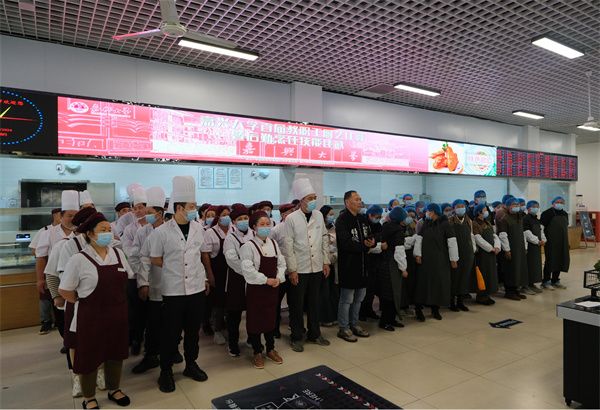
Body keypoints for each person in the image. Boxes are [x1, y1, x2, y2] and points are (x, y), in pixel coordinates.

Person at [59, 212, 133, 409]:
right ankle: (89, 397)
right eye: (103, 230)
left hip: (117, 314)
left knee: (115, 352)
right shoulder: (79, 259)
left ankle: (114, 389)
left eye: (109, 229)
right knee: (89, 356)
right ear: (90, 233)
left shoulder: (117, 254)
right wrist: (83, 302)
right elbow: (64, 290)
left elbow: (128, 276)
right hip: (91, 317)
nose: (108, 233)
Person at [150, 176, 211, 393]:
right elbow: (155, 259)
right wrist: (175, 268)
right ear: (179, 208)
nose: (195, 210)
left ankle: (191, 364)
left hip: (196, 288)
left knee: (193, 331)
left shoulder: (198, 228)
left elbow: (199, 255)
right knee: (171, 332)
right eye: (191, 207)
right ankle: (165, 371)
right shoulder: (161, 232)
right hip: (173, 290)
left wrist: (204, 278)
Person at [45, 205, 98, 398]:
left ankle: (98, 372)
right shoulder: (65, 246)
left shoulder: (103, 245)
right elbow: (52, 273)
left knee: (97, 339)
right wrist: (57, 297)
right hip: (74, 300)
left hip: (98, 302)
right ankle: (77, 376)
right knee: (74, 341)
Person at [282, 178, 331, 352]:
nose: (313, 201)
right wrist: (292, 270)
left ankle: (314, 333)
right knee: (297, 304)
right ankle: (296, 336)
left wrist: (326, 261)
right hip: (299, 268)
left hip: (317, 266)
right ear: (301, 200)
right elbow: (288, 246)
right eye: (310, 198)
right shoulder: (291, 219)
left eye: (314, 197)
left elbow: (324, 238)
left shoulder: (318, 215)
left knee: (314, 302)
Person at [132, 187, 176, 374]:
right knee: (152, 323)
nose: (146, 215)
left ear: (160, 213)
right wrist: (143, 282)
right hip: (152, 284)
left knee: (173, 322)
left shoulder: (172, 230)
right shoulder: (143, 232)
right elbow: (137, 258)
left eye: (149, 212)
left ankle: (172, 351)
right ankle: (151, 356)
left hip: (173, 283)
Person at [240, 211, 286, 369]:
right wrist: (266, 280)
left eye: (268, 224)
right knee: (255, 321)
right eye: (262, 224)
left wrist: (279, 277)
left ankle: (271, 349)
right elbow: (248, 270)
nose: (266, 227)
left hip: (272, 288)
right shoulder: (248, 246)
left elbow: (281, 263)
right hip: (256, 290)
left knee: (270, 319)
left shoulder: (273, 244)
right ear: (254, 227)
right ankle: (257, 351)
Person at [35, 191, 79, 336]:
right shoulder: (48, 233)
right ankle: (66, 339)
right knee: (60, 312)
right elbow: (41, 257)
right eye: (69, 216)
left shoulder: (82, 232)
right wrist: (40, 279)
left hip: (77, 279)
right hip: (56, 277)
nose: (73, 219)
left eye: (75, 216)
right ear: (61, 216)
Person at [335, 190, 374, 342]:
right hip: (349, 266)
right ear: (347, 202)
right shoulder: (342, 220)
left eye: (360, 199)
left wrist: (372, 242)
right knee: (347, 299)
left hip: (364, 265)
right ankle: (343, 327)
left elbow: (370, 235)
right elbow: (346, 243)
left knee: (359, 299)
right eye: (356, 199)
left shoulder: (363, 218)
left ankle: (354, 324)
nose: (360, 202)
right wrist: (365, 247)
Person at [413, 203, 459, 321]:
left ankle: (435, 309)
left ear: (433, 212)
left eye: (427, 211)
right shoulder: (426, 223)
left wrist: (454, 259)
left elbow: (452, 242)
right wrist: (417, 254)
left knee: (437, 285)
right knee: (422, 285)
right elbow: (419, 239)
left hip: (440, 260)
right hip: (425, 260)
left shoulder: (445, 224)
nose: (426, 213)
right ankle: (418, 309)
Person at [223, 204, 253, 357]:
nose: (243, 221)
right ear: (234, 222)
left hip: (253, 279)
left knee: (253, 312)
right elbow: (231, 259)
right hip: (237, 279)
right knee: (234, 315)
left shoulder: (254, 234)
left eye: (246, 218)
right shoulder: (230, 238)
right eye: (240, 219)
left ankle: (252, 339)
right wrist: (248, 271)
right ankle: (233, 344)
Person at [121, 186, 149, 356]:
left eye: (141, 207)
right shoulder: (130, 229)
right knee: (136, 312)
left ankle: (151, 343)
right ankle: (136, 340)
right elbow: (129, 252)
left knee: (153, 312)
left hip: (156, 274)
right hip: (135, 275)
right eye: (135, 208)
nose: (138, 211)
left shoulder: (156, 226)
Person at [201, 205, 232, 346]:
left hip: (232, 271)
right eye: (223, 215)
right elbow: (205, 255)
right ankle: (217, 330)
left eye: (228, 214)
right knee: (218, 303)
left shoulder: (233, 229)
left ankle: (229, 327)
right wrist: (210, 274)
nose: (226, 217)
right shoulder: (210, 232)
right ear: (218, 217)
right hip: (217, 271)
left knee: (230, 301)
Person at [380, 206, 410, 331]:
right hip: (392, 265)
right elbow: (399, 251)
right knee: (392, 294)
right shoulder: (398, 230)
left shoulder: (386, 226)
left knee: (388, 294)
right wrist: (403, 268)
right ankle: (385, 321)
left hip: (384, 263)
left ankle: (390, 319)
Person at [270, 203, 296, 338]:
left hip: (294, 270)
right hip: (280, 272)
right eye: (290, 211)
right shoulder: (276, 230)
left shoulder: (297, 227)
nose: (293, 214)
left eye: (294, 211)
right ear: (283, 214)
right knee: (276, 301)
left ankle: (294, 325)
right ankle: (274, 328)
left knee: (294, 300)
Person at [496, 197, 528, 300]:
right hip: (510, 248)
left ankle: (516, 290)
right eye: (514, 205)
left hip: (519, 247)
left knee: (518, 269)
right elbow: (502, 235)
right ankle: (509, 292)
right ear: (507, 206)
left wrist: (525, 246)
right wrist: (507, 250)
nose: (516, 207)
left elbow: (522, 232)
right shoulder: (503, 217)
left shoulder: (519, 216)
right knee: (510, 270)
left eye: (517, 205)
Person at [447, 199, 475, 312]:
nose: (461, 208)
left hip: (467, 253)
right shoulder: (449, 221)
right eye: (458, 206)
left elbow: (471, 236)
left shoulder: (469, 221)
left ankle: (460, 301)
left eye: (462, 206)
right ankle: (451, 302)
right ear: (454, 208)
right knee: (454, 278)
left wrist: (473, 250)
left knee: (464, 278)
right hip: (455, 253)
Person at [359, 205, 386, 321]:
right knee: (365, 289)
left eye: (379, 216)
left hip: (376, 261)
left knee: (372, 289)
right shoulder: (363, 224)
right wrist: (377, 245)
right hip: (366, 260)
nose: (378, 218)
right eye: (376, 216)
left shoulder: (378, 225)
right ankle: (361, 312)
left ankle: (369, 310)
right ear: (369, 215)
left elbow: (381, 237)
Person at [471, 204, 500, 305]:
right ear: (478, 212)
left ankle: (487, 294)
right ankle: (481, 296)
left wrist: (497, 247)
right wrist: (490, 248)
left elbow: (494, 236)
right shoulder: (474, 223)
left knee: (490, 274)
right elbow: (478, 239)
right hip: (482, 254)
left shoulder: (487, 222)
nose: (486, 211)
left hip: (491, 253)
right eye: (484, 210)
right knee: (483, 274)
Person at [540, 196, 570, 290]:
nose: (559, 204)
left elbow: (565, 228)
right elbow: (541, 228)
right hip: (551, 241)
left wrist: (567, 241)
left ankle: (555, 280)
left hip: (562, 241)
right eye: (557, 202)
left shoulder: (565, 214)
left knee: (560, 260)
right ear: (553, 203)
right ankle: (546, 281)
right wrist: (543, 239)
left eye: (561, 202)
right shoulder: (547, 213)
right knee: (550, 260)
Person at [319, 205, 339, 327]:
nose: (332, 216)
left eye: (333, 214)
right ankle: (325, 318)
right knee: (324, 292)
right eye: (330, 214)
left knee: (334, 291)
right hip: (323, 264)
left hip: (334, 262)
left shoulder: (334, 227)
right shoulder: (319, 228)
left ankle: (334, 316)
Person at [523, 200, 545, 295]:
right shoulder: (526, 219)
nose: (536, 208)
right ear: (528, 208)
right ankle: (526, 285)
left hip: (537, 246)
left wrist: (543, 240)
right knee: (529, 265)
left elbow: (541, 230)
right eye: (534, 207)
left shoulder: (536, 219)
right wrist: (537, 241)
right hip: (530, 246)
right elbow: (526, 233)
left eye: (537, 206)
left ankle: (532, 283)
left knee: (535, 266)